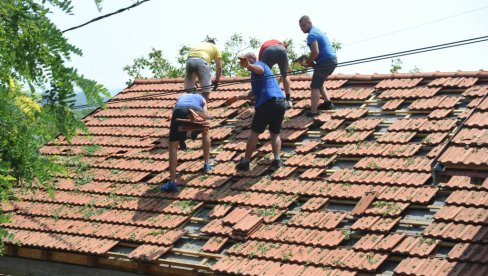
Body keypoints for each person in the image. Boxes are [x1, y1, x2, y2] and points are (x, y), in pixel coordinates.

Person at [225, 53, 286, 171]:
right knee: (275, 133)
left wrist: (249, 65)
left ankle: (246, 161)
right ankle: (277, 159)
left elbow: (260, 70)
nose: (243, 63)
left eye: (245, 60)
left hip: (267, 103)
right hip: (280, 102)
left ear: (252, 59)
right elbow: (251, 93)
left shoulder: (259, 65)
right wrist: (237, 97)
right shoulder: (257, 75)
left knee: (254, 133)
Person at [161, 93, 211, 192]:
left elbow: (175, 113)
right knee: (205, 131)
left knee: (173, 145)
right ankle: (207, 164)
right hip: (197, 110)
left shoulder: (181, 97)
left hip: (179, 110)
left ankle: (172, 182)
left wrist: (179, 139)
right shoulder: (202, 99)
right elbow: (205, 117)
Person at [298, 15, 338, 117]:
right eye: (300, 26)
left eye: (303, 25)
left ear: (310, 23)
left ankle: (313, 112)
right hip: (331, 60)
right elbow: (317, 55)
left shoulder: (312, 35)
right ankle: (328, 103)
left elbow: (315, 52)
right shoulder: (317, 31)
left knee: (314, 86)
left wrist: (306, 62)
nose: (302, 28)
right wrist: (310, 63)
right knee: (319, 82)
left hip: (325, 61)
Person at [258, 39, 293, 109]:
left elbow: (260, 68)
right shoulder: (282, 47)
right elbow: (290, 70)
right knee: (285, 75)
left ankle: (262, 97)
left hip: (267, 51)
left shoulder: (266, 46)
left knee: (263, 76)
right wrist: (284, 74)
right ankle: (288, 100)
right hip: (281, 50)